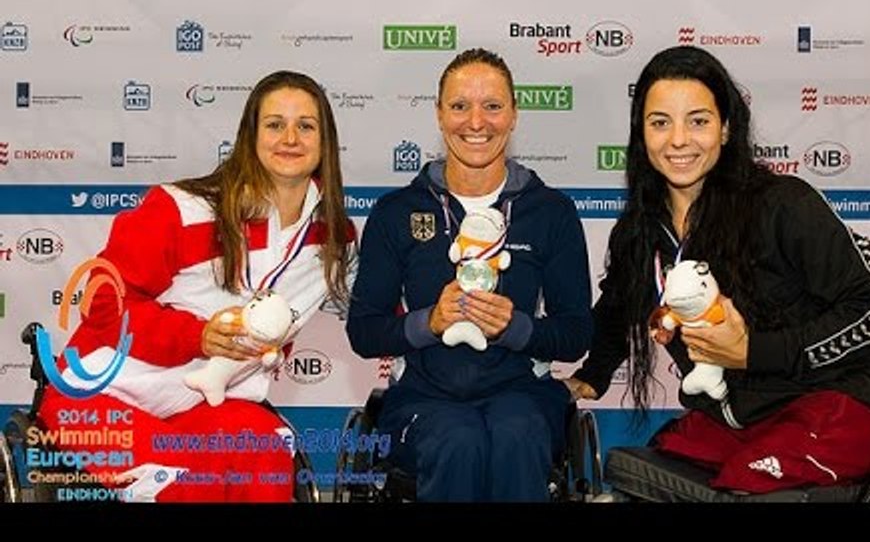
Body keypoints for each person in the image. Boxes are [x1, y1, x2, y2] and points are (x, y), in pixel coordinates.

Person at [566, 45, 870, 493]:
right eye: (660, 122)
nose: (678, 140)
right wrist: (590, 377)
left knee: (745, 477)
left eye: (698, 121)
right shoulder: (639, 232)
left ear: (726, 128)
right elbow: (616, 310)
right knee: (648, 468)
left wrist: (753, 351)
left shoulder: (783, 204)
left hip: (833, 408)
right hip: (734, 421)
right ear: (641, 134)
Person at [37, 70, 356, 502]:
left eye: (306, 126)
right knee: (181, 483)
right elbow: (102, 301)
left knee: (267, 456)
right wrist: (197, 335)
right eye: (274, 124)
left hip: (203, 403)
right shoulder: (181, 209)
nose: (290, 138)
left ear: (325, 141)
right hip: (99, 396)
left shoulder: (335, 239)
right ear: (250, 136)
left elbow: (381, 299)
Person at [347, 47, 592, 501]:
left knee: (516, 436)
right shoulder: (395, 212)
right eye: (460, 106)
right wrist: (429, 322)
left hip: (523, 396)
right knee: (458, 440)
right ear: (439, 115)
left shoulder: (550, 212)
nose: (476, 122)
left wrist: (514, 327)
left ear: (514, 115)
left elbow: (575, 334)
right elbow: (363, 333)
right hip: (423, 399)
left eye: (492, 106)